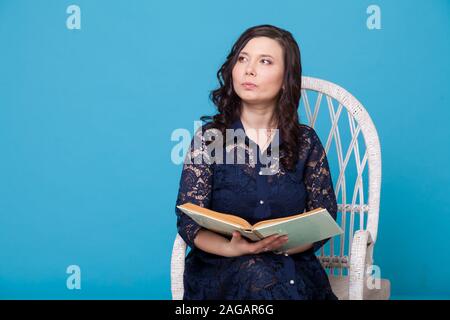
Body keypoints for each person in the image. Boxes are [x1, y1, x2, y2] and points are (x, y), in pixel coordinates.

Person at [175, 24, 338, 300]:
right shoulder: (209, 140)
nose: (249, 69)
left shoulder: (306, 142)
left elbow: (323, 219)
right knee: (256, 273)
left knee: (268, 276)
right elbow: (188, 223)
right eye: (242, 59)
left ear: (286, 78)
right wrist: (234, 249)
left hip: (292, 265)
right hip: (222, 268)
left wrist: (274, 246)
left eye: (265, 61)